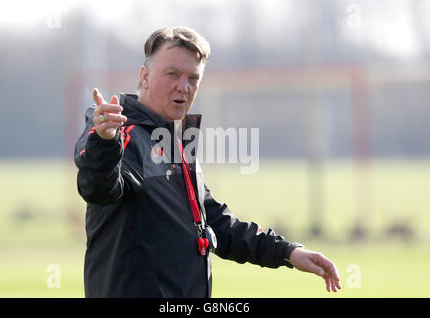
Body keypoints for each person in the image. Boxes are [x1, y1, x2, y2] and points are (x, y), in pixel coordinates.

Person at [74, 26, 342, 298]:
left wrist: (287, 252)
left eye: (193, 77)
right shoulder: (117, 132)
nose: (184, 86)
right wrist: (106, 141)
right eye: (173, 74)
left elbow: (216, 224)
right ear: (145, 76)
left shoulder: (174, 141)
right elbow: (98, 189)